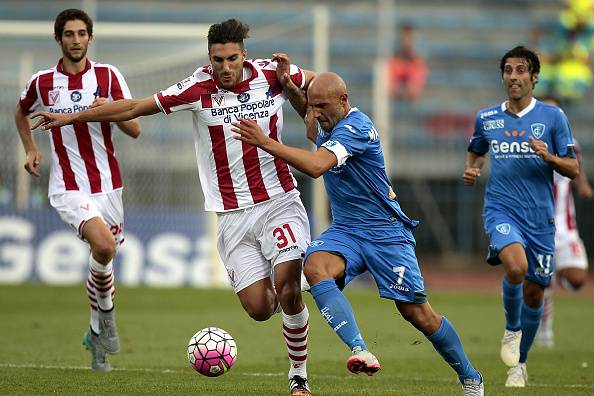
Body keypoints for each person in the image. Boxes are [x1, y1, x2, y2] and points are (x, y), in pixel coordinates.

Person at [30, 18, 315, 396]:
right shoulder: (197, 86)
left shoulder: (272, 73)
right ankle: (305, 281)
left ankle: (298, 375)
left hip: (279, 200)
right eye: (218, 60)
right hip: (230, 215)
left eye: (232, 59)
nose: (225, 68)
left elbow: (320, 87)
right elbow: (134, 107)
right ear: (209, 58)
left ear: (244, 55)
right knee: (260, 308)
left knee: (287, 289)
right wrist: (73, 117)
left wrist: (305, 94)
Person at [232, 72, 484, 396]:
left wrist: (266, 143)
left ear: (344, 100)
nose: (316, 113)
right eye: (313, 106)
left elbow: (316, 166)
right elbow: (310, 114)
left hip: (386, 234)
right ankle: (359, 349)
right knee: (315, 266)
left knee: (417, 314)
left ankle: (471, 377)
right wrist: (292, 88)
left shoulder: (357, 128)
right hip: (347, 231)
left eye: (322, 106)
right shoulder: (327, 121)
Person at [14, 9, 141, 372]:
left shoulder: (108, 76)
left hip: (109, 186)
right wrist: (31, 149)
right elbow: (20, 113)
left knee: (105, 259)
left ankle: (95, 332)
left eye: (81, 33)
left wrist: (108, 109)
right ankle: (109, 320)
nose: (75, 39)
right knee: (103, 245)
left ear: (90, 38)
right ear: (59, 39)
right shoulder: (42, 82)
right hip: (68, 186)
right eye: (68, 34)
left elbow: (135, 129)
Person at [463, 46, 579, 387]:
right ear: (503, 76)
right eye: (508, 70)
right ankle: (511, 330)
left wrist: (550, 157)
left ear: (534, 77)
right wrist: (472, 171)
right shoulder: (487, 117)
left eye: (521, 70)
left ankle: (520, 364)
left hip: (539, 217)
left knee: (535, 294)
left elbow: (573, 168)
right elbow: (476, 153)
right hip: (501, 209)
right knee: (516, 267)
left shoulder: (553, 118)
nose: (514, 76)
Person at [537, 97, 593, 348]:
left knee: (577, 279)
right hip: (538, 224)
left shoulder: (570, 144)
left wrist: (582, 186)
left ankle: (559, 273)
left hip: (566, 227)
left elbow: (576, 168)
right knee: (542, 281)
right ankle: (545, 330)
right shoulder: (528, 144)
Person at [387, 23, 429, 103]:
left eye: (409, 37)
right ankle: (398, 95)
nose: (406, 41)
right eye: (404, 37)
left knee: (419, 68)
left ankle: (410, 96)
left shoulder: (418, 63)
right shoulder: (394, 60)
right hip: (398, 69)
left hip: (412, 71)